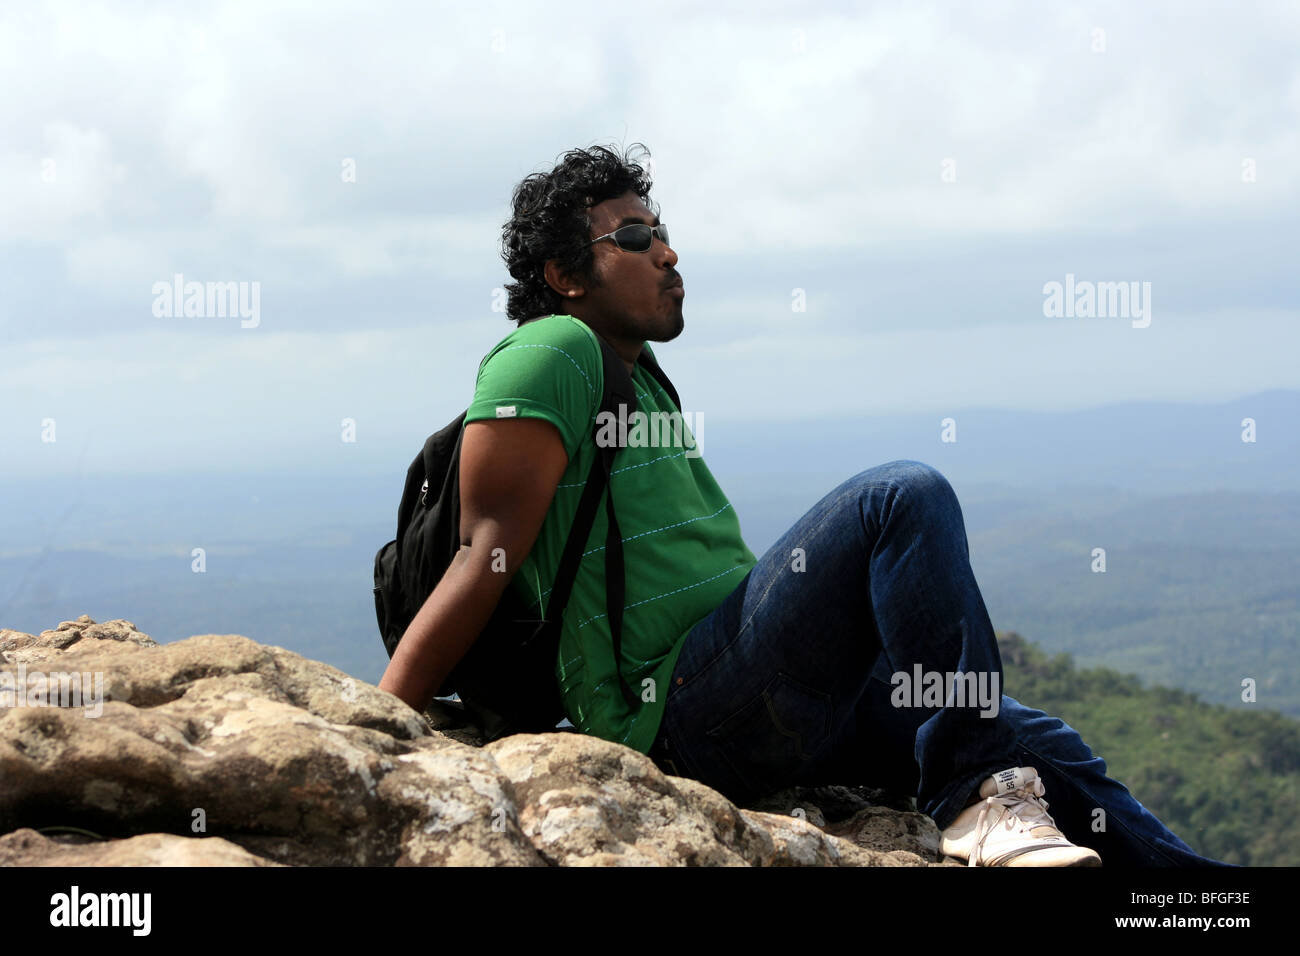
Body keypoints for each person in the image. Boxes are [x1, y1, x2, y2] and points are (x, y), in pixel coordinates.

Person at [378, 143, 1228, 867]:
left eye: (662, 231)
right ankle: (976, 800)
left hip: (755, 684)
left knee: (1036, 740)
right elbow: (484, 553)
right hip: (678, 710)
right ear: (564, 275)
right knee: (902, 496)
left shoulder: (639, 374)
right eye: (634, 237)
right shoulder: (547, 353)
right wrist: (379, 725)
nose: (667, 253)